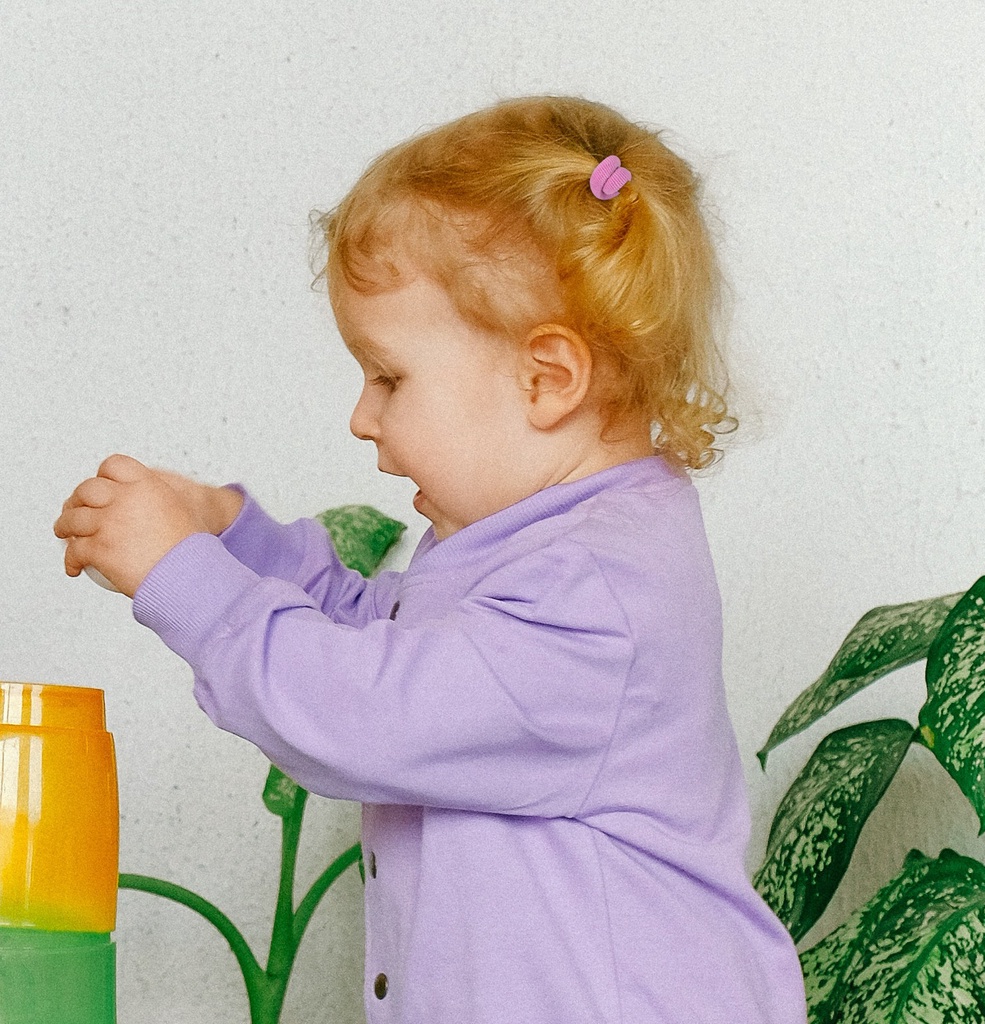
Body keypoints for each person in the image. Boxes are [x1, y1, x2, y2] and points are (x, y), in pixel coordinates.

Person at [55, 95, 807, 1023]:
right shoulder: (531, 546)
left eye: (389, 377)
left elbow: (367, 710)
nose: (361, 417)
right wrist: (230, 537)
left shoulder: (596, 597)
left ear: (546, 379)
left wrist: (184, 577)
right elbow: (386, 639)